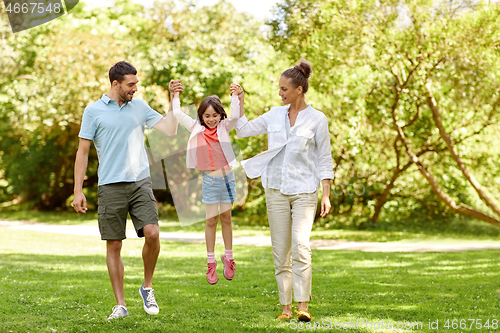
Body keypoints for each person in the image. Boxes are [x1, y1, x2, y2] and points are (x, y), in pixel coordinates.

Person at [72, 61, 183, 319]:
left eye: (136, 84)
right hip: (109, 184)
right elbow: (83, 151)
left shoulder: (140, 107)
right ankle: (121, 305)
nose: (135, 88)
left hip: (140, 181)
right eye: (130, 84)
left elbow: (170, 129)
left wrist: (173, 100)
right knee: (114, 245)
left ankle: (147, 286)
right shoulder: (93, 111)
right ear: (115, 84)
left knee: (152, 233)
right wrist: (78, 190)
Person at [234, 60, 334, 322]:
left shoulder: (317, 119)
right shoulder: (274, 115)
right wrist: (240, 101)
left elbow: (324, 158)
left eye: (284, 89)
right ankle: (285, 307)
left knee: (301, 246)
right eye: (279, 89)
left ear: (299, 90)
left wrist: (326, 193)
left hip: (305, 190)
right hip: (276, 189)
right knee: (281, 250)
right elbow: (243, 130)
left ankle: (303, 305)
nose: (280, 94)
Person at [171, 82, 244, 284]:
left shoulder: (224, 126)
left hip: (228, 179)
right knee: (211, 221)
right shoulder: (195, 127)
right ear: (201, 116)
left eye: (215, 115)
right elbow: (177, 113)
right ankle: (210, 262)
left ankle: (229, 257)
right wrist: (175, 94)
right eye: (207, 116)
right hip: (210, 181)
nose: (211, 119)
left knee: (227, 219)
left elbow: (236, 115)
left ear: (220, 115)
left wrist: (236, 96)